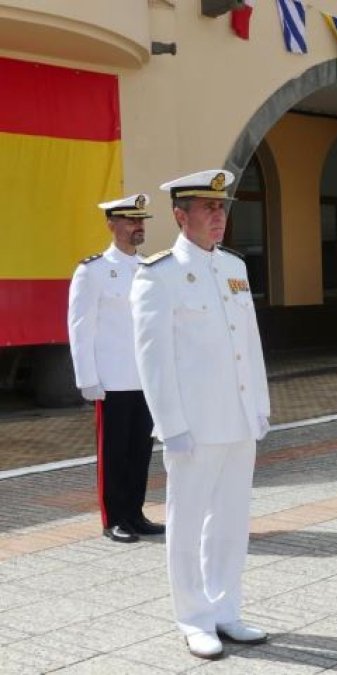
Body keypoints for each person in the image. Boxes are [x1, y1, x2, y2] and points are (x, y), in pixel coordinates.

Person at [131, 169, 271, 660]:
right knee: (188, 522)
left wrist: (259, 405)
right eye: (208, 208)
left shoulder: (234, 267)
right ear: (180, 215)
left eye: (222, 208)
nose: (219, 216)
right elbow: (154, 359)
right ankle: (193, 617)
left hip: (235, 419)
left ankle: (225, 608)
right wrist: (170, 425)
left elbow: (248, 343)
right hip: (193, 424)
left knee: (232, 520)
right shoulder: (159, 274)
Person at [67, 194, 164, 544]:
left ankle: (135, 514)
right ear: (112, 224)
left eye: (141, 221)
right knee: (114, 452)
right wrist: (87, 378)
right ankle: (114, 519)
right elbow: (80, 327)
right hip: (112, 379)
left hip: (145, 378)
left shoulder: (148, 268)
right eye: (130, 220)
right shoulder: (91, 270)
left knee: (140, 450)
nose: (138, 226)